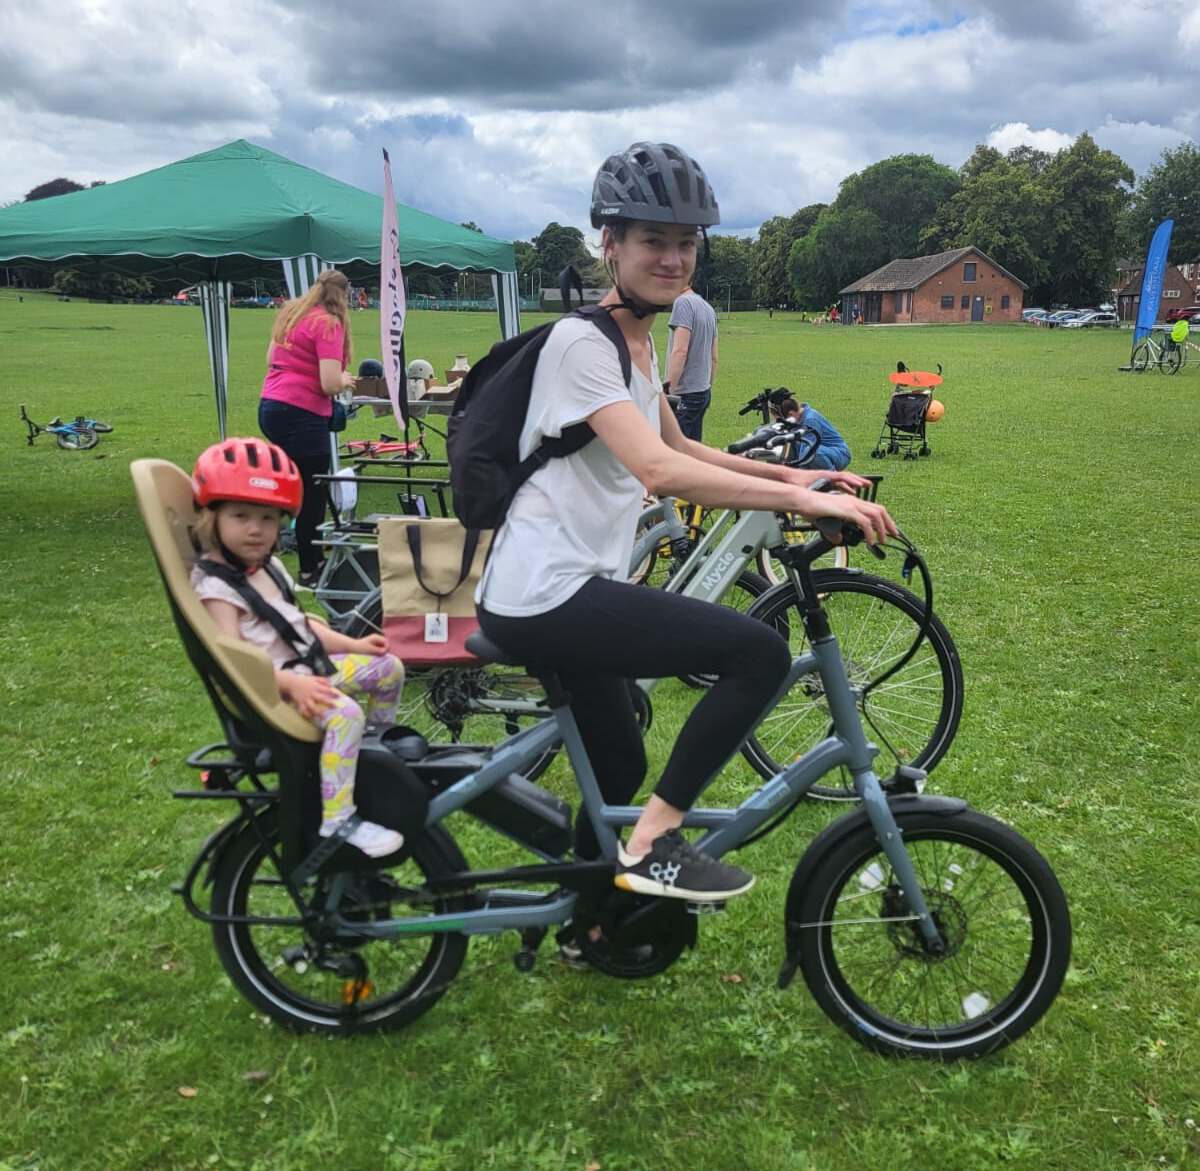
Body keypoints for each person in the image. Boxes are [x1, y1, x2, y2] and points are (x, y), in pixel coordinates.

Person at [475, 142, 895, 907]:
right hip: (544, 591)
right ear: (611, 243)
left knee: (620, 766)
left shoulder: (634, 344)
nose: (673, 259)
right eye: (653, 240)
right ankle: (651, 844)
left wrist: (795, 476)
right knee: (757, 653)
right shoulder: (582, 343)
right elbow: (659, 471)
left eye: (686, 242)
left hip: (568, 583)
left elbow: (682, 446)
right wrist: (805, 504)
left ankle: (586, 920)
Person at [189, 437, 406, 859]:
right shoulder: (217, 588)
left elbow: (301, 627)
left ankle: (369, 757)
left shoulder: (267, 567)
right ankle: (338, 820)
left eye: (268, 518)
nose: (256, 529)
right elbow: (231, 661)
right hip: (273, 692)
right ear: (211, 518)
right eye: (240, 516)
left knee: (389, 668)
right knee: (345, 714)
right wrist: (291, 685)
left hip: (306, 672)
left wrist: (356, 645)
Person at [258, 269, 356, 589]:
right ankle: (309, 569)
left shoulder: (292, 313)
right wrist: (344, 379)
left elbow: (271, 358)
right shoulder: (328, 323)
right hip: (303, 412)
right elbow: (329, 383)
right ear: (344, 294)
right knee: (311, 495)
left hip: (271, 406)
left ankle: (266, 552)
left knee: (285, 486)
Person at [665, 282, 719, 441]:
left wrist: (669, 392)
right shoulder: (708, 309)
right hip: (702, 392)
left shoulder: (683, 303)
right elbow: (714, 357)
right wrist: (707, 386)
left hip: (684, 394)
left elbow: (680, 351)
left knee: (675, 450)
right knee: (692, 449)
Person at [775, 397, 852, 471]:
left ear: (791, 414)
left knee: (810, 451)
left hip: (840, 454)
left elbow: (807, 452)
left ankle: (832, 476)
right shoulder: (799, 418)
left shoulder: (811, 420)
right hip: (823, 452)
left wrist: (798, 472)